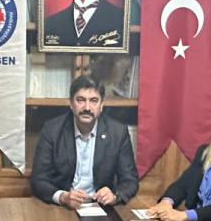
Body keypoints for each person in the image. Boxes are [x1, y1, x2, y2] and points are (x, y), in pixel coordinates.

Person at [30, 75, 140, 208]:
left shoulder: (118, 133)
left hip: (102, 207)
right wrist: (62, 197)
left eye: (94, 101)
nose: (87, 107)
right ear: (71, 103)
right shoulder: (52, 130)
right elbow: (38, 179)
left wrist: (115, 196)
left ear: (102, 105)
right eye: (81, 100)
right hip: (62, 207)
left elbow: (130, 180)